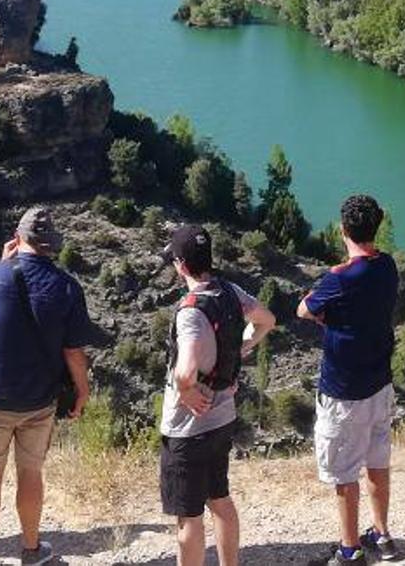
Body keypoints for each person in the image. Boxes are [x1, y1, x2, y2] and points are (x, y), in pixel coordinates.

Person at [0, 207, 94, 566]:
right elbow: (73, 351)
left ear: (18, 239)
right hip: (38, 399)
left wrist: (2, 262)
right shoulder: (66, 286)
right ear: (52, 246)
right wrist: (82, 391)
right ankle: (32, 551)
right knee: (31, 473)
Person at [159, 224, 276, 566]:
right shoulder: (230, 291)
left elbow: (185, 369)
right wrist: (244, 346)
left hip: (188, 428)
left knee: (189, 517)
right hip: (222, 418)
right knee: (220, 500)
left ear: (180, 265)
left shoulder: (191, 311)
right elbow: (266, 320)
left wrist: (186, 390)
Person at [297, 195, 402, 562]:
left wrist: (330, 315)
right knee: (377, 462)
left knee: (344, 472)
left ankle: (350, 549)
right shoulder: (387, 266)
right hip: (380, 384)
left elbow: (304, 309)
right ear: (377, 226)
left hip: (344, 391)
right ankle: (384, 535)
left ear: (342, 230)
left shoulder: (339, 279)